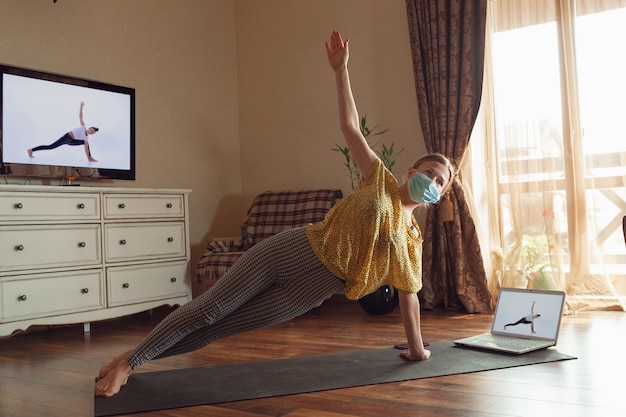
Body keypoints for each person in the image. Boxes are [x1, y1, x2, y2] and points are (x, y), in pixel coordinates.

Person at [94, 30, 455, 398]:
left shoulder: (412, 241)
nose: (432, 181)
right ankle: (128, 365)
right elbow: (350, 127)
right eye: (428, 172)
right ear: (411, 171)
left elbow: (409, 297)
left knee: (218, 328)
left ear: (439, 194)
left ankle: (134, 356)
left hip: (311, 291)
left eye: (440, 181)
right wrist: (340, 70)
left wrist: (419, 348)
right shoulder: (378, 178)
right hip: (291, 251)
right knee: (210, 309)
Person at [28, 101, 99, 162]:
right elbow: (80, 116)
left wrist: (88, 156)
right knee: (50, 147)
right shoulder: (83, 127)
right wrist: (81, 106)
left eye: (92, 132)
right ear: (89, 128)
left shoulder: (86, 138)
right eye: (91, 130)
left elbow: (86, 149)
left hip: (72, 142)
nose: (90, 131)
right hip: (66, 138)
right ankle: (31, 150)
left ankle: (89, 158)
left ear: (92, 134)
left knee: (86, 143)